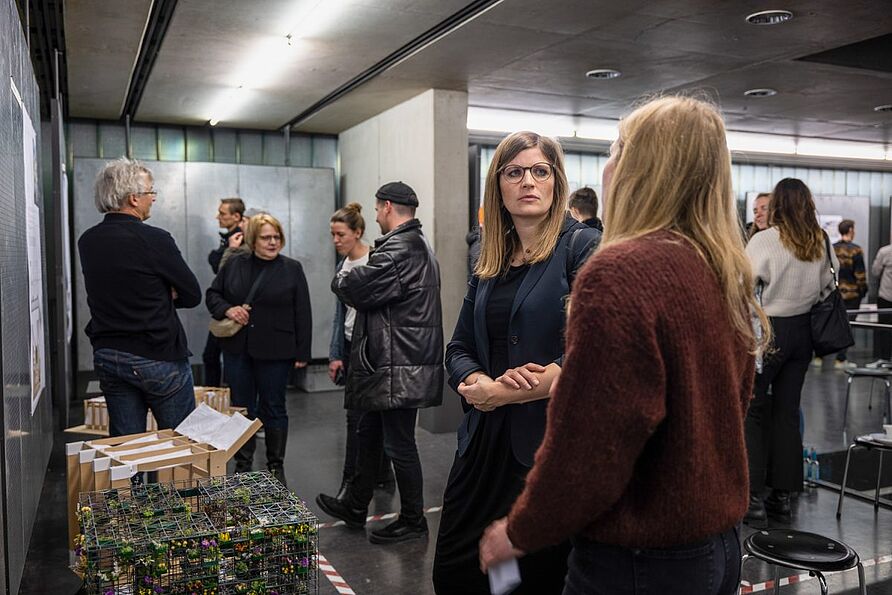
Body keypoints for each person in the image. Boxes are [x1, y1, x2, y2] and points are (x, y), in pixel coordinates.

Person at [477, 97, 766, 595]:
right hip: (715, 546)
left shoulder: (621, 272)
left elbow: (592, 441)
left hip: (640, 559)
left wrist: (521, 530)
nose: (607, 166)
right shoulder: (719, 268)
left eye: (616, 150)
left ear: (641, 168)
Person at [433, 131, 601, 595]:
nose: (528, 181)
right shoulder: (492, 260)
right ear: (498, 187)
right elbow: (458, 348)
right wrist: (475, 380)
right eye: (514, 172)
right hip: (484, 443)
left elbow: (595, 354)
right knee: (460, 570)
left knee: (525, 580)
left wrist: (506, 391)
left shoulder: (582, 248)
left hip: (544, 448)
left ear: (556, 181)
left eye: (539, 171)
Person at [316, 181, 443, 545]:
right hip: (393, 363)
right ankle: (356, 505)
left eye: (376, 210)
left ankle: (413, 519)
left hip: (398, 365)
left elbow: (356, 288)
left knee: (400, 445)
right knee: (368, 433)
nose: (374, 216)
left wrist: (342, 278)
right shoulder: (410, 247)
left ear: (387, 207)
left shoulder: (401, 249)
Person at [79, 157, 201, 437]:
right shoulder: (155, 239)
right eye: (150, 192)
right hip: (157, 355)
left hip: (109, 354)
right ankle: (180, 485)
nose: (153, 199)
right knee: (180, 448)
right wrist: (164, 293)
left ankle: (131, 484)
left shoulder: (88, 240)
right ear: (134, 198)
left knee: (127, 448)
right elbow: (192, 294)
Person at [744, 178, 837, 526]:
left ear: (779, 204)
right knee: (787, 412)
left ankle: (752, 499)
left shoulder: (765, 240)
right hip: (804, 334)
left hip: (769, 331)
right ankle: (781, 499)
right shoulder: (820, 240)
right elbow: (831, 281)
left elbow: (744, 281)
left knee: (752, 409)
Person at [206, 213, 312, 485]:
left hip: (276, 351)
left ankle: (276, 466)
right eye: (266, 237)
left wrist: (303, 353)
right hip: (238, 350)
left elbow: (303, 311)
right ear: (253, 239)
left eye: (277, 237)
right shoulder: (234, 264)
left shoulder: (292, 268)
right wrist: (228, 308)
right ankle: (243, 464)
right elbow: (212, 295)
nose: (273, 242)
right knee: (241, 409)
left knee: (274, 406)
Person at [323, 202, 393, 501]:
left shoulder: (374, 261)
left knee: (370, 416)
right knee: (356, 416)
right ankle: (360, 478)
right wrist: (336, 353)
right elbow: (340, 316)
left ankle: (363, 480)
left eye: (341, 234)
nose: (336, 240)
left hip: (373, 348)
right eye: (333, 235)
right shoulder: (342, 266)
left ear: (358, 232)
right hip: (352, 346)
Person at [202, 197, 245, 387]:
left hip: (235, 308)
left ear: (236, 216)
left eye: (222, 213)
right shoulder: (230, 239)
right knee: (211, 356)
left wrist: (229, 250)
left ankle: (216, 399)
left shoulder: (240, 241)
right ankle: (214, 398)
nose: (217, 216)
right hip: (225, 307)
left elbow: (223, 270)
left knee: (219, 357)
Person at [833, 219, 867, 367]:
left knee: (831, 323)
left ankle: (819, 358)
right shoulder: (856, 250)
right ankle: (841, 359)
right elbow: (860, 274)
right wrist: (863, 290)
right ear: (850, 230)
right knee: (848, 325)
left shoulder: (832, 248)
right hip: (852, 294)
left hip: (834, 294)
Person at [872, 242, 892, 363]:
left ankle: (884, 359)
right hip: (886, 295)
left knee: (884, 329)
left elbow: (875, 271)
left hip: (886, 295)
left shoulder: (885, 252)